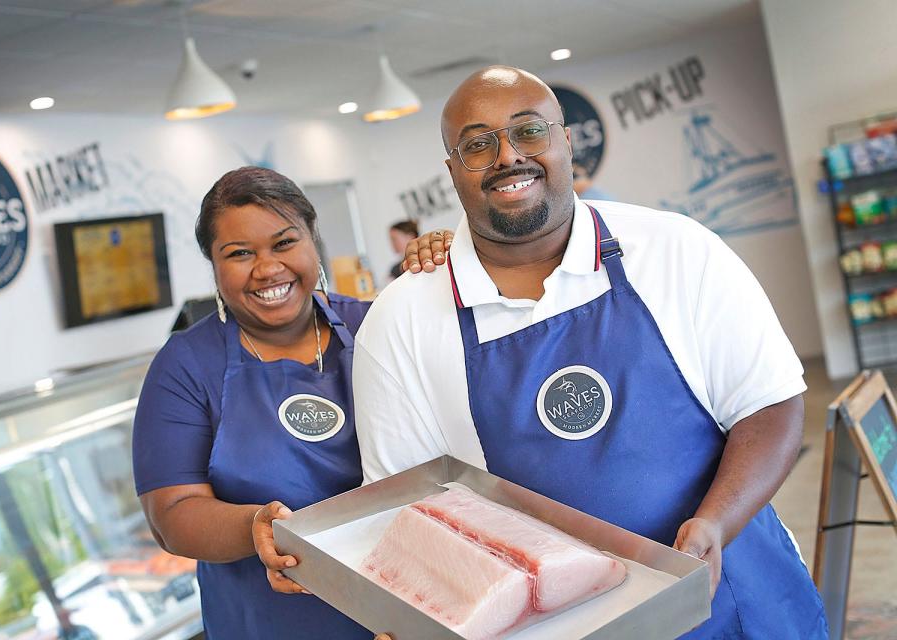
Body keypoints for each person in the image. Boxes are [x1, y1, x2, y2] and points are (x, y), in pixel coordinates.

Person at [352, 67, 828, 638]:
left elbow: (769, 407)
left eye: (528, 131)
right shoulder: (402, 320)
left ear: (566, 140)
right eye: (477, 143)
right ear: (452, 170)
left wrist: (716, 522)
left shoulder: (676, 250)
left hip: (734, 597)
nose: (507, 155)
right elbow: (410, 513)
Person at [132, 166, 449, 640]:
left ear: (312, 240)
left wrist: (456, 265)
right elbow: (172, 514)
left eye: (284, 243)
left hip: (411, 608)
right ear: (214, 267)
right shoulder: (185, 366)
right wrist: (255, 527)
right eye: (239, 253)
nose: (267, 268)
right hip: (273, 623)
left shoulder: (379, 325)